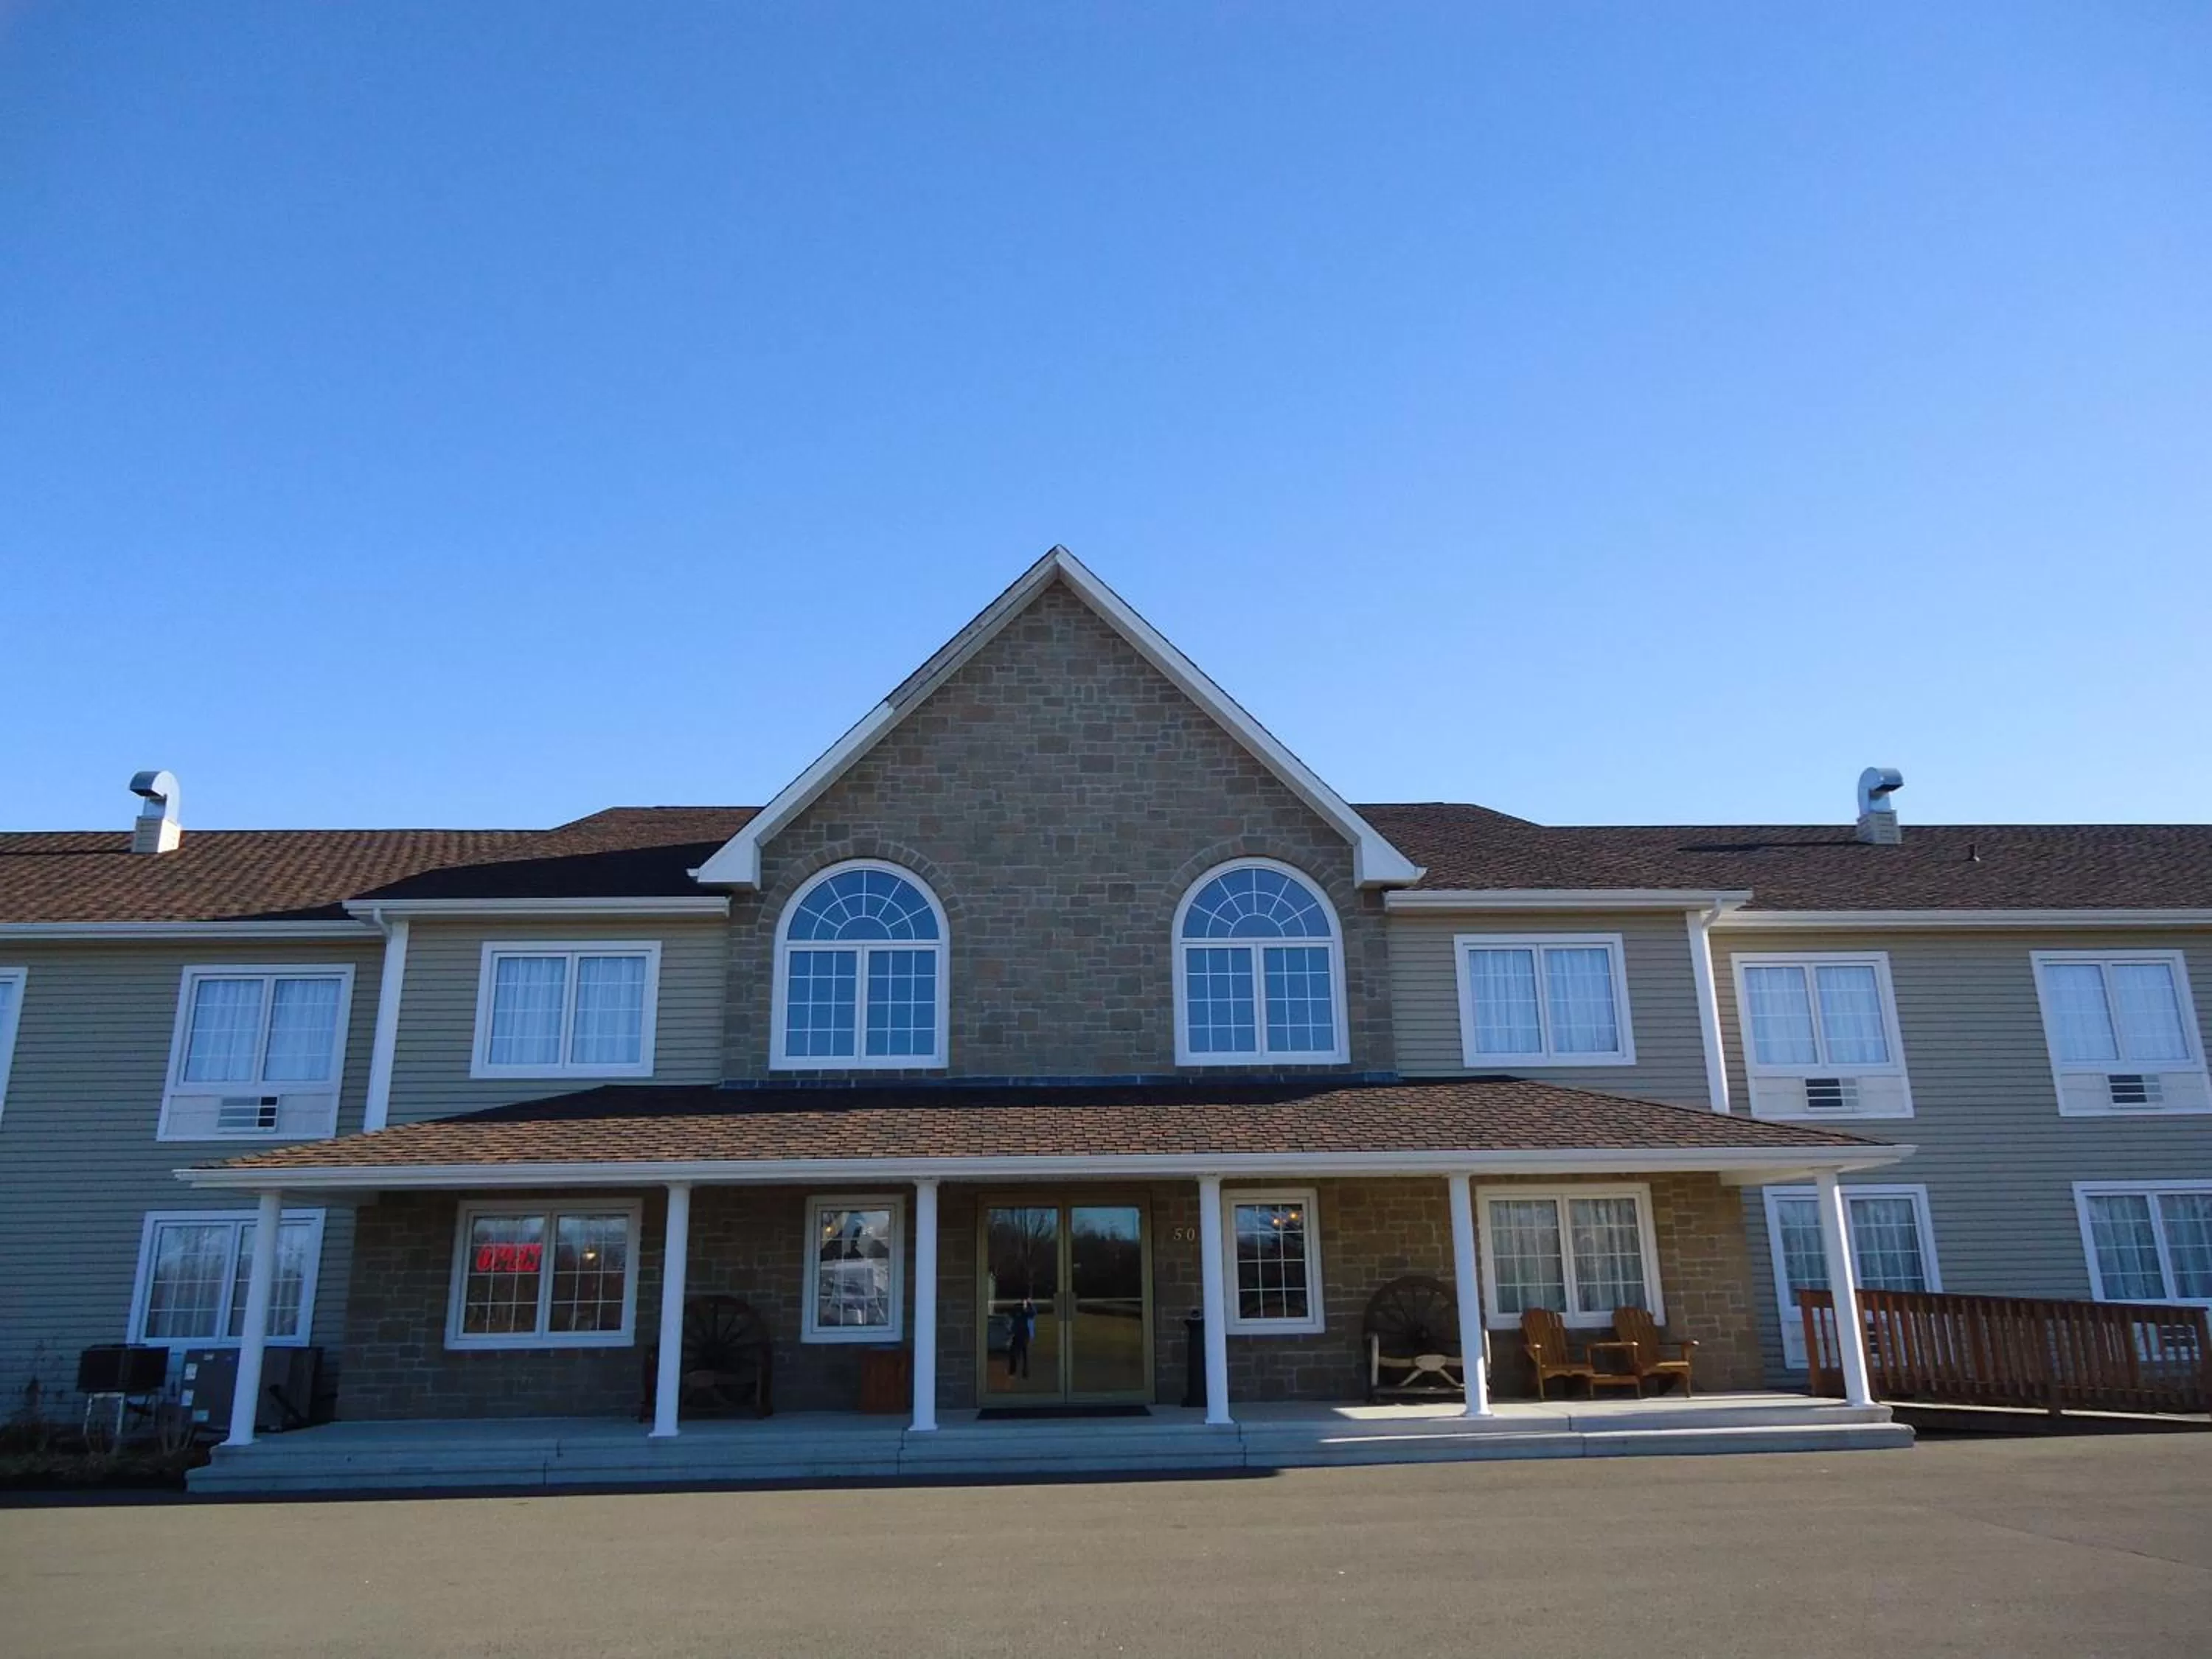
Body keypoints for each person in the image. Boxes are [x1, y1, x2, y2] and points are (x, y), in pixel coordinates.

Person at [1006, 1298, 1036, 1380]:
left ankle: (1025, 1373)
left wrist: (1029, 1306)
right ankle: (1013, 1371)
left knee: (1025, 1354)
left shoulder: (1029, 1308)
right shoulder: (1017, 1308)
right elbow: (1011, 1315)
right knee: (1014, 1353)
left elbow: (1032, 1315)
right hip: (1017, 1333)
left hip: (1025, 1334)